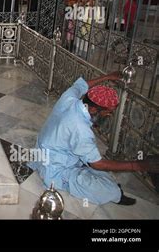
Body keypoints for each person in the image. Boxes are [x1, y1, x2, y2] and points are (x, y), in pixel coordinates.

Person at [28, 72, 159, 205]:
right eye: (108, 112)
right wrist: (137, 165)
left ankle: (88, 176)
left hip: (47, 153)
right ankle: (113, 193)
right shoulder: (81, 129)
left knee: (105, 175)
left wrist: (107, 77)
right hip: (55, 168)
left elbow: (81, 85)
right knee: (111, 191)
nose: (109, 115)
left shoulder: (69, 98)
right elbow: (97, 164)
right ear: (94, 110)